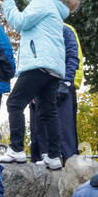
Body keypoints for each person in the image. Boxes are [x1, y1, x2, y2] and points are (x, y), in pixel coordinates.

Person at [0, 0, 80, 169]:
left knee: (14, 104)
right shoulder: (57, 6)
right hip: (53, 67)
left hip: (38, 62)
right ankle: (53, 155)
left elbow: (21, 22)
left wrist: (8, 4)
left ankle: (16, 150)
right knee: (47, 111)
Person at [30, 22, 81, 162]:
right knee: (38, 136)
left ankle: (67, 171)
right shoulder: (33, 30)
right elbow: (29, 61)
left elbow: (74, 58)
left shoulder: (65, 30)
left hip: (62, 87)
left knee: (64, 134)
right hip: (38, 88)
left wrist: (67, 82)